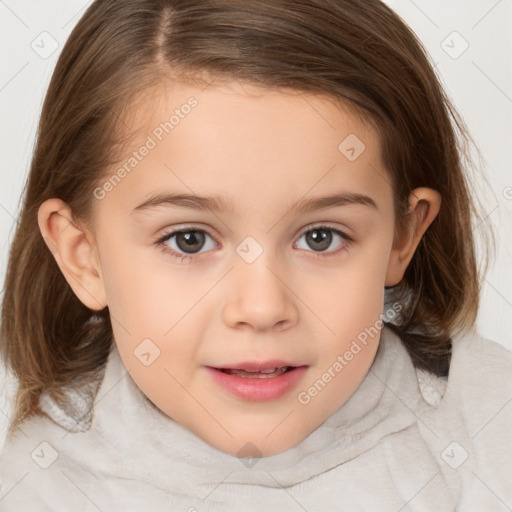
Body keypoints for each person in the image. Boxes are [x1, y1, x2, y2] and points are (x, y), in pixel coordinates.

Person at [1, 0, 510, 510]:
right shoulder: (33, 491)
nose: (263, 308)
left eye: (320, 237)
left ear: (403, 236)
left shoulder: (492, 439)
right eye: (189, 240)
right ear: (83, 256)